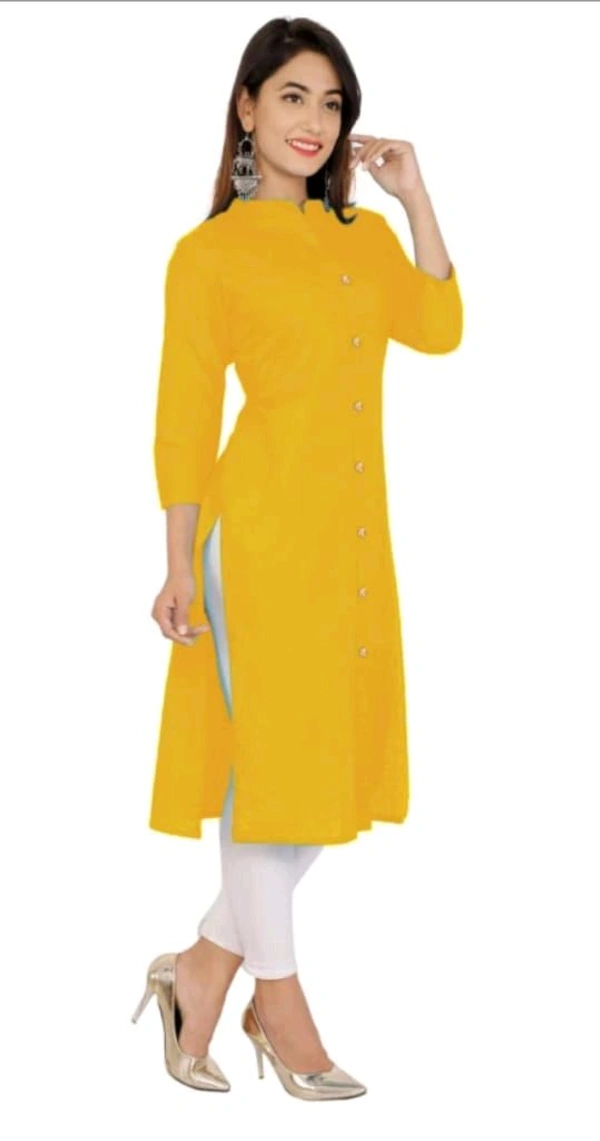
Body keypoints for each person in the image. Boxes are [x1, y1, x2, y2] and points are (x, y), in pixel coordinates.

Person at [131, 16, 463, 1101]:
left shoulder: (360, 240)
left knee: (322, 776)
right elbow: (184, 416)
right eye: (291, 97)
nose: (314, 121)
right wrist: (178, 562)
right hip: (260, 543)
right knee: (272, 781)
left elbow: (439, 326)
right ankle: (282, 1004)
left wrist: (413, 197)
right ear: (246, 107)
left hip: (353, 542)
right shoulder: (211, 254)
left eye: (331, 103)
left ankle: (200, 969)